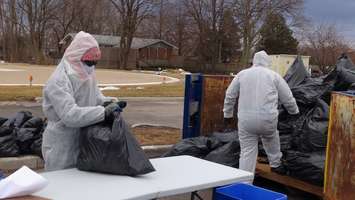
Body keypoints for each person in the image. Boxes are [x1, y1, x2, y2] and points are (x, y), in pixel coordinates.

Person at [42, 31, 122, 171]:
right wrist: (103, 112)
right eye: (89, 62)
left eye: (94, 62)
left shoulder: (87, 74)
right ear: (76, 56)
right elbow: (70, 115)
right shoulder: (58, 81)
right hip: (62, 143)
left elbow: (96, 97)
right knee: (61, 185)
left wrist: (108, 102)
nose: (91, 66)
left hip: (85, 139)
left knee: (82, 184)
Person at [223, 50, 299, 176]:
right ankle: (275, 164)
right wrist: (294, 111)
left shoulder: (242, 75)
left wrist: (227, 114)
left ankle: (244, 182)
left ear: (253, 61)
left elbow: (230, 95)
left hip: (246, 120)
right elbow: (287, 97)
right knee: (271, 138)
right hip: (267, 119)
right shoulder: (274, 76)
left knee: (247, 151)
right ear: (267, 62)